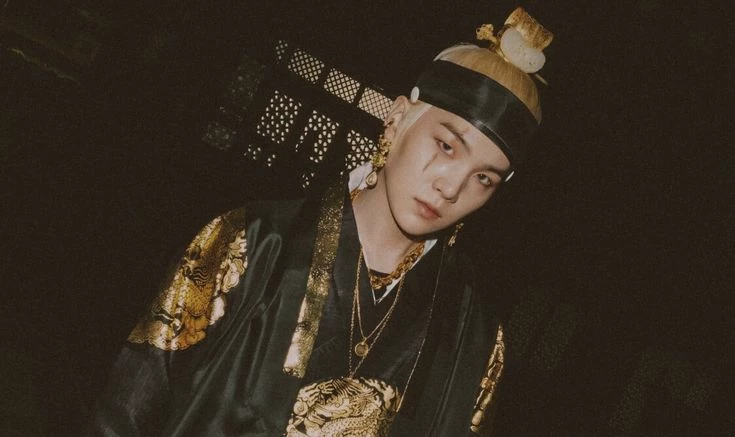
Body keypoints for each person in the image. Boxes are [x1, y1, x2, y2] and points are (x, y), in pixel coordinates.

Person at [87, 7, 552, 437]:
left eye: (484, 178)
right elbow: (129, 410)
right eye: (446, 146)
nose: (452, 187)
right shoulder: (252, 243)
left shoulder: (473, 337)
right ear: (397, 119)